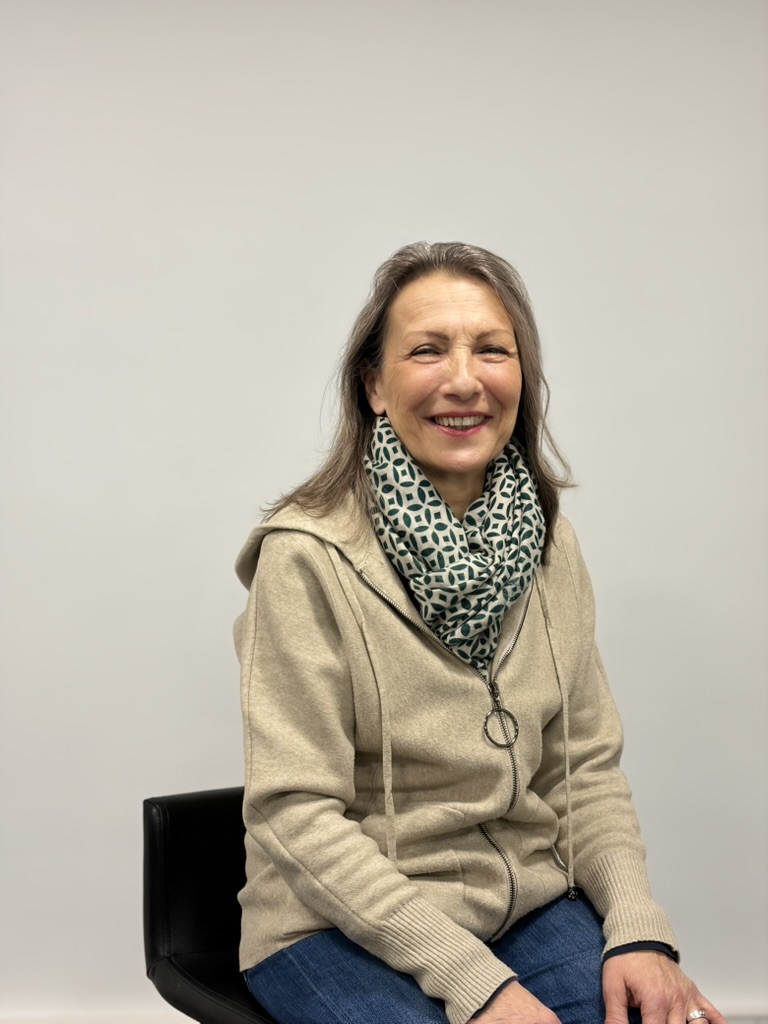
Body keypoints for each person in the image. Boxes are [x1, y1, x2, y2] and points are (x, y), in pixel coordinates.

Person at [234, 242, 725, 1024]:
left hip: (521, 904)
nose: (464, 379)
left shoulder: (550, 544)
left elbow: (583, 771)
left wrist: (638, 929)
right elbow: (295, 815)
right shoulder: (305, 558)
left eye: (492, 350)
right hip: (331, 923)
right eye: (427, 350)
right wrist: (478, 983)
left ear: (521, 379)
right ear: (374, 387)